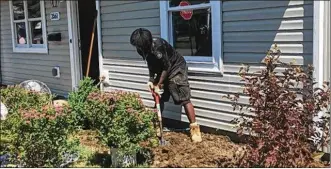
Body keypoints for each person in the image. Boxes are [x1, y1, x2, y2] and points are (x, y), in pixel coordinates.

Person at [130, 28, 202, 143]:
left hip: (175, 67)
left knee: (183, 98)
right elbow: (151, 64)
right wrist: (151, 80)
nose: (139, 49)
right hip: (161, 70)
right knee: (158, 97)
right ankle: (157, 126)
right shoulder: (141, 49)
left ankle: (195, 129)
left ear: (147, 42)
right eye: (138, 46)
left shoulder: (158, 46)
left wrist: (159, 83)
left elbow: (167, 67)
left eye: (141, 46)